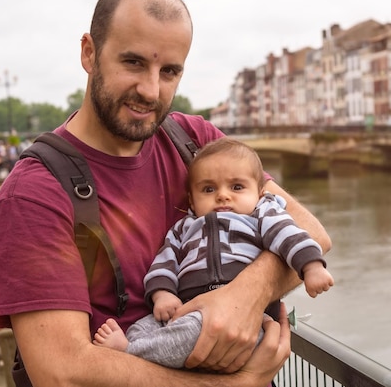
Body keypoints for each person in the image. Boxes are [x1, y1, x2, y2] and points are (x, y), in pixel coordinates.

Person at [0, 0, 331, 387]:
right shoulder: (34, 194)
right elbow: (62, 373)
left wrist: (243, 295)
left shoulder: (196, 144)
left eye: (170, 71)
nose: (151, 90)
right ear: (89, 53)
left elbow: (312, 232)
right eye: (134, 63)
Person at [93, 137, 334, 368]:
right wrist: (162, 293)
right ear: (192, 200)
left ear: (260, 193)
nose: (222, 195)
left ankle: (130, 352)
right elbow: (164, 261)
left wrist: (311, 266)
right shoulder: (183, 228)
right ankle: (139, 345)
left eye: (237, 187)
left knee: (190, 334)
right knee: (141, 327)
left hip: (246, 320)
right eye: (208, 189)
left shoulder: (262, 215)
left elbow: (289, 235)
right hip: (188, 307)